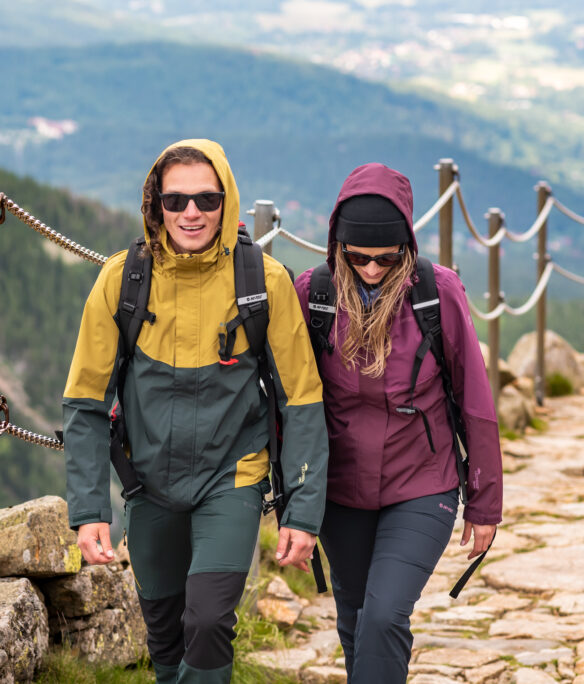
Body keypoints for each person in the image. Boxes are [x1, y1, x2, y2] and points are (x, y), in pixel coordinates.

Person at [62, 139, 329, 683]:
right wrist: (90, 508)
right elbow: (86, 403)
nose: (191, 213)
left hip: (231, 478)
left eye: (207, 200)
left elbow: (301, 400)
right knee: (164, 636)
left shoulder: (264, 282)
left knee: (208, 621)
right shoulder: (122, 280)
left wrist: (302, 512)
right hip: (147, 484)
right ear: (155, 203)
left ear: (227, 202)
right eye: (176, 199)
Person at [293, 163, 503, 683]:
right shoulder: (313, 296)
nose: (369, 269)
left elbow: (476, 403)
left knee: (385, 614)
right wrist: (291, 499)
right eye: (357, 257)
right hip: (340, 488)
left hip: (423, 482)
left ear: (407, 247)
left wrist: (485, 503)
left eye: (385, 259)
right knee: (356, 619)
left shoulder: (438, 294)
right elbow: (289, 403)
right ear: (336, 246)